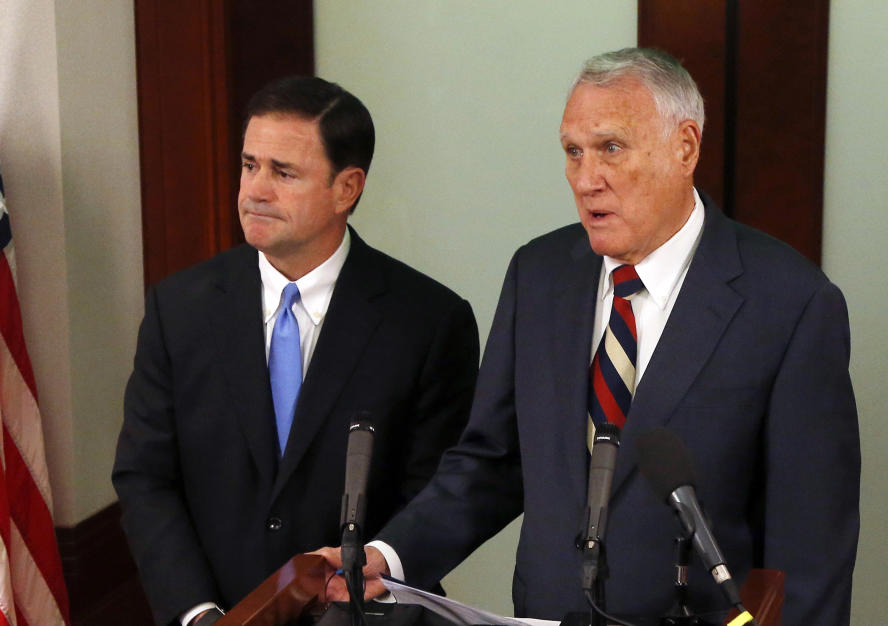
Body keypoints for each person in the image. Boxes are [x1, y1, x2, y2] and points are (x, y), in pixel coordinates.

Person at [318, 48, 860, 625]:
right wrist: (389, 555)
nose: (585, 178)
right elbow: (492, 462)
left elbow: (811, 553)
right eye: (572, 152)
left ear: (685, 147)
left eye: (611, 148)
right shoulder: (540, 274)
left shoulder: (790, 303)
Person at [112, 76, 480, 626]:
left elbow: (432, 496)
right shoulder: (179, 307)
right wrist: (198, 613)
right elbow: (146, 477)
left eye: (283, 173)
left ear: (346, 188)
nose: (255, 190)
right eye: (249, 165)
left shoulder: (429, 321)